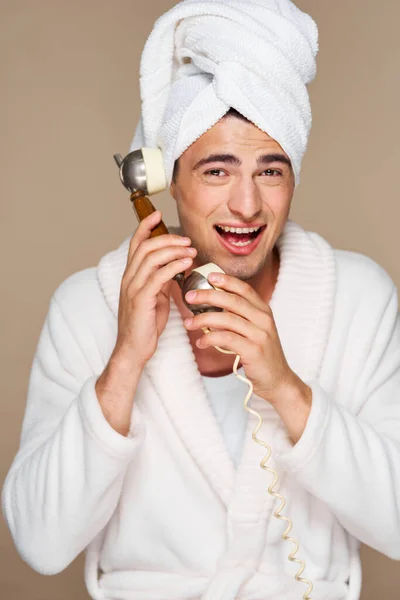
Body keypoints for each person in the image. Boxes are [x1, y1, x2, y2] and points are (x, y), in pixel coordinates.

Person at [2, 1, 400, 599]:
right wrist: (124, 364)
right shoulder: (85, 306)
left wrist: (286, 388)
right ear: (166, 183)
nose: (247, 205)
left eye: (271, 171)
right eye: (217, 171)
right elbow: (40, 542)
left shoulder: (360, 298)